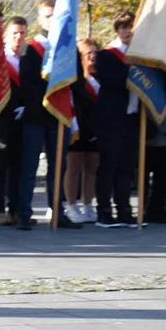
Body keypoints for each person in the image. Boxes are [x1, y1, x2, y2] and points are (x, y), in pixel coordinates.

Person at [16, 0, 81, 230]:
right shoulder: (31, 48)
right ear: (39, 19)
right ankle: (23, 212)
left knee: (58, 167)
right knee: (30, 167)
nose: (51, 20)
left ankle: (58, 211)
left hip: (59, 117)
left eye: (55, 16)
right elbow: (27, 84)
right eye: (47, 16)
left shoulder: (67, 48)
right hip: (36, 116)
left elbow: (77, 82)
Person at [94, 11, 142, 228]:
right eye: (123, 27)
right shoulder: (106, 55)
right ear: (116, 30)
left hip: (132, 119)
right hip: (111, 120)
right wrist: (131, 67)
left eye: (130, 27)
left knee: (127, 167)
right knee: (109, 165)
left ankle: (124, 209)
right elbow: (111, 82)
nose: (127, 31)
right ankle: (104, 210)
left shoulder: (141, 57)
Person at [0, 16, 27, 226]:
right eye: (14, 33)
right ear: (5, 35)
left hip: (23, 120)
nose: (19, 37)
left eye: (22, 33)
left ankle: (16, 209)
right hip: (1, 119)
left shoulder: (27, 59)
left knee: (18, 166)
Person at [65, 38, 100, 224]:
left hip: (96, 127)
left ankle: (88, 204)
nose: (93, 57)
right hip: (78, 126)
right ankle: (71, 205)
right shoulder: (76, 82)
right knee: (74, 168)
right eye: (88, 53)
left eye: (95, 53)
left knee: (92, 168)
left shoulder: (100, 78)